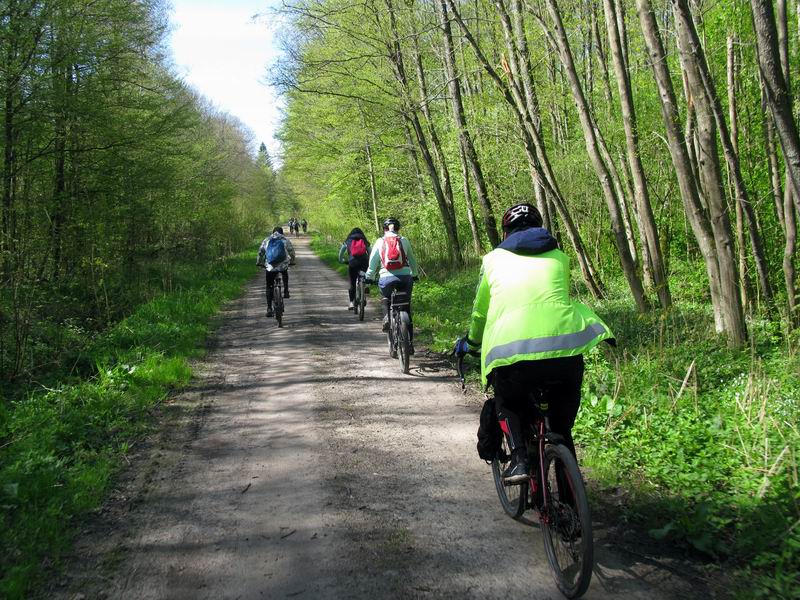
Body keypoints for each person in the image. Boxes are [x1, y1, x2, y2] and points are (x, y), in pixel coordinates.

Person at [454, 203, 613, 483]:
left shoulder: (492, 260)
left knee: (507, 401)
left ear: (506, 233)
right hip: (566, 353)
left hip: (514, 355)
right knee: (562, 430)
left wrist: (472, 343)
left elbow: (481, 311)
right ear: (540, 227)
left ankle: (518, 460)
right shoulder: (560, 257)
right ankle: (571, 504)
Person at [364, 217, 420, 353]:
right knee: (406, 308)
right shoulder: (404, 240)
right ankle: (410, 343)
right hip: (405, 278)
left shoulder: (380, 241)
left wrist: (369, 277)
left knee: (386, 299)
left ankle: (387, 318)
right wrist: (415, 274)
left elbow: (373, 263)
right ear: (398, 228)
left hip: (386, 278)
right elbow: (412, 259)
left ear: (384, 229)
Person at [257, 226, 296, 317]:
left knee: (269, 286)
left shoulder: (267, 240)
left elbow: (261, 252)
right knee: (284, 272)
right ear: (282, 233)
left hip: (270, 267)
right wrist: (293, 261)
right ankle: (286, 291)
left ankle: (269, 308)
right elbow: (291, 252)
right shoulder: (285, 239)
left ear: (272, 232)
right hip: (282, 265)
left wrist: (258, 262)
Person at [339, 227, 371, 310]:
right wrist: (369, 261)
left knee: (352, 283)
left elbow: (341, 253)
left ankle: (351, 303)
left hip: (352, 263)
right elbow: (370, 252)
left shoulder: (348, 241)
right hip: (364, 262)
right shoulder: (364, 240)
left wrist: (342, 260)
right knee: (364, 275)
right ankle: (366, 284)